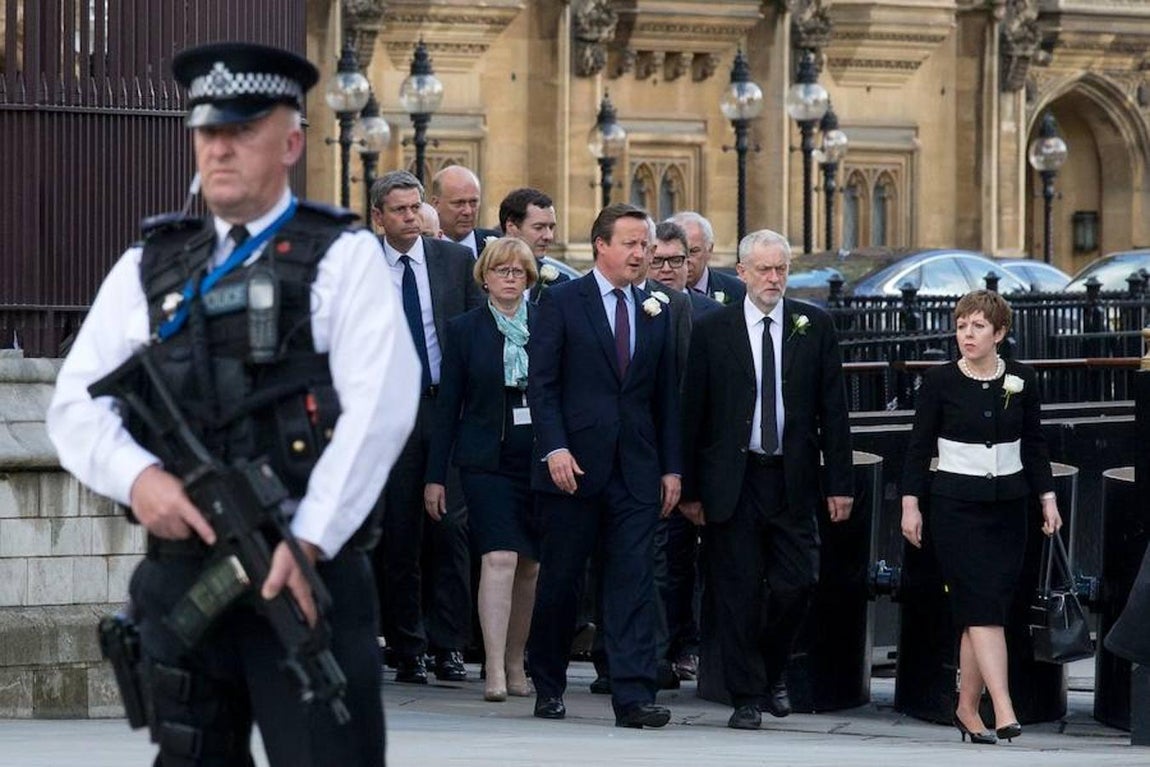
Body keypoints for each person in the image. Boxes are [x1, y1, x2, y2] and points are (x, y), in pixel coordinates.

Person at [45, 42, 420, 765]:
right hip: (188, 575)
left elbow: (383, 408)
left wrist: (309, 538)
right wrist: (139, 479)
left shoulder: (343, 257)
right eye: (208, 131)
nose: (219, 149)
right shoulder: (149, 265)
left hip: (304, 571)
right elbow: (74, 404)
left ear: (291, 142)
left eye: (242, 130)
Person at [680, 229, 854, 731]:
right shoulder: (715, 329)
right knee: (735, 593)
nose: (774, 278)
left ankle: (772, 670)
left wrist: (839, 483)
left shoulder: (813, 326)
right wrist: (690, 489)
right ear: (742, 273)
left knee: (795, 586)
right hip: (733, 481)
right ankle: (746, 697)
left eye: (781, 269)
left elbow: (834, 412)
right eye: (764, 269)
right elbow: (694, 412)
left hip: (791, 480)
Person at [527, 202, 681, 729]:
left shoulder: (657, 307)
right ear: (601, 245)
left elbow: (665, 396)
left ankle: (633, 695)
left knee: (633, 580)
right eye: (632, 244)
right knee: (563, 582)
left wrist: (671, 468)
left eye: (647, 244)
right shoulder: (563, 302)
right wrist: (555, 448)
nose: (643, 254)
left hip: (636, 468)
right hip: (574, 469)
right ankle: (547, 681)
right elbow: (542, 384)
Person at [900, 289, 1062, 745]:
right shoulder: (939, 381)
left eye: (977, 327)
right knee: (983, 609)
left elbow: (1035, 444)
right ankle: (1004, 707)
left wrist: (1047, 497)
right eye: (960, 327)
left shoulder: (1022, 380)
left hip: (1010, 508)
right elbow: (918, 447)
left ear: (1000, 333)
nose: (966, 335)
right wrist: (910, 504)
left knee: (983, 609)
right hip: (955, 508)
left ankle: (967, 709)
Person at [368, 170, 485, 685]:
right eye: (400, 210)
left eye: (416, 207)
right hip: (390, 414)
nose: (412, 217)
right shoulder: (363, 269)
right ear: (379, 217)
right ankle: (407, 644)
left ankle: (449, 644)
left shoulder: (455, 261)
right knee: (398, 533)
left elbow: (477, 335)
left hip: (447, 410)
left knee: (451, 532)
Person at [423, 237, 541, 703]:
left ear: (529, 279)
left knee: (530, 566)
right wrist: (436, 475)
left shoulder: (547, 326)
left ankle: (516, 660)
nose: (510, 278)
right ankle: (492, 665)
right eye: (501, 271)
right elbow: (449, 405)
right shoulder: (466, 329)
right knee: (499, 557)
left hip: (536, 458)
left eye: (518, 271)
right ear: (485, 278)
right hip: (484, 460)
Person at [497, 187, 569, 302]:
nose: (549, 236)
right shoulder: (480, 275)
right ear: (511, 227)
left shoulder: (558, 283)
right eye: (538, 228)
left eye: (551, 227)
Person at [668, 211, 745, 305]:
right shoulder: (652, 291)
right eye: (676, 255)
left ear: (709, 249)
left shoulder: (738, 290)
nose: (685, 261)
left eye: (693, 251)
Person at [430, 165, 500, 259]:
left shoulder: (499, 245)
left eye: (473, 202)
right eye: (459, 203)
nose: (468, 211)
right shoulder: (422, 249)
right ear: (436, 203)